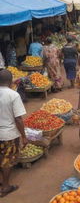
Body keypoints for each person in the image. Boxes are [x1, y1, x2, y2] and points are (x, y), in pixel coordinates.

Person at [0, 69, 27, 197]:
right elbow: (18, 119)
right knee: (7, 160)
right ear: (11, 82)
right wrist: (24, 136)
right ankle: (5, 187)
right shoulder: (13, 95)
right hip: (8, 134)